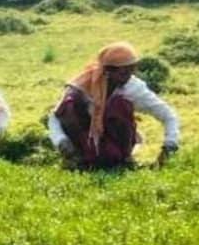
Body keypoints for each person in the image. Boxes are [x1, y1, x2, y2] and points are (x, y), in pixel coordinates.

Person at [48, 42, 179, 170]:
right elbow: (55, 117)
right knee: (69, 104)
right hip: (83, 139)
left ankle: (121, 160)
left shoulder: (133, 88)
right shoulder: (82, 86)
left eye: (131, 71)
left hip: (116, 141)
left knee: (119, 105)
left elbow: (168, 115)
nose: (127, 77)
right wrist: (61, 141)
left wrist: (169, 146)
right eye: (123, 73)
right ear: (106, 71)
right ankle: (79, 159)